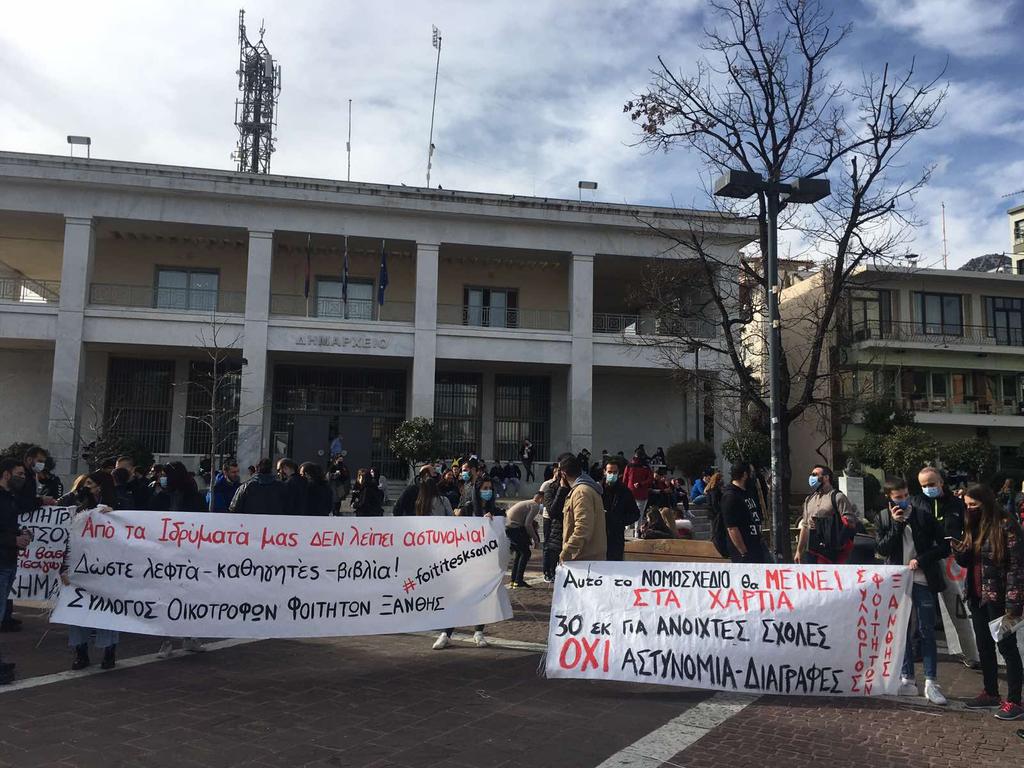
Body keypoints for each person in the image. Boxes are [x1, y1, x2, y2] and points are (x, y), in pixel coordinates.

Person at [952, 484, 1024, 720]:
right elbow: (966, 562)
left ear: (986, 503)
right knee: (984, 645)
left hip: (998, 598)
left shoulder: (1006, 524)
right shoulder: (973, 525)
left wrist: (1013, 604)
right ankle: (990, 692)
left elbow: (1016, 567)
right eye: (967, 505)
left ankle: (1014, 700)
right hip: (976, 595)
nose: (970, 509)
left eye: (974, 505)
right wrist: (958, 548)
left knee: (1007, 648)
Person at [875, 477, 949, 705]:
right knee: (902, 630)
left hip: (922, 579)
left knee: (926, 629)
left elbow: (944, 546)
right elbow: (882, 549)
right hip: (898, 581)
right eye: (898, 497)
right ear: (889, 497)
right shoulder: (883, 518)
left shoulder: (923, 515)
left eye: (906, 495)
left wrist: (921, 559)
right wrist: (897, 525)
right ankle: (907, 678)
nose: (904, 501)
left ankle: (931, 681)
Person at [59, 472, 120, 670]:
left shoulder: (120, 504)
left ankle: (109, 651)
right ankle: (81, 652)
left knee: (106, 611)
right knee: (76, 610)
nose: (86, 487)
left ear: (101, 486)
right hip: (79, 566)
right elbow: (68, 538)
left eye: (90, 483)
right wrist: (64, 568)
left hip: (107, 568)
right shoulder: (79, 506)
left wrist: (114, 514)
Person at [794, 464, 859, 564]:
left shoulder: (838, 497)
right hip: (811, 549)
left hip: (832, 550)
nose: (812, 477)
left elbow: (850, 522)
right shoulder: (809, 500)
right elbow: (805, 527)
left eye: (815, 474)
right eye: (811, 475)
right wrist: (799, 551)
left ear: (826, 477)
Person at [1, 459, 33, 640]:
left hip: (9, 561)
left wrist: (21, 532)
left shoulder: (10, 498)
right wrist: (14, 539)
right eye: (19, 474)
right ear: (6, 474)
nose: (23, 478)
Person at [559, 453, 607, 563]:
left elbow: (583, 527)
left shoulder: (580, 492)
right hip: (590, 558)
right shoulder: (588, 489)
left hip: (584, 560)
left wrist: (567, 550)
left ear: (563, 473)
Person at [720, 462, 769, 563]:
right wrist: (743, 552)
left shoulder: (747, 492)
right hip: (745, 550)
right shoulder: (730, 496)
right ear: (745, 475)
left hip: (757, 544)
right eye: (751, 473)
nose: (753, 477)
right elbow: (732, 528)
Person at [602, 457, 640, 561]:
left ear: (619, 473)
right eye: (609, 472)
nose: (612, 475)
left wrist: (619, 520)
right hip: (598, 536)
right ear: (604, 472)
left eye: (615, 472)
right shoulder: (597, 490)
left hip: (616, 536)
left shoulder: (624, 491)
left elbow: (635, 514)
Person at [914, 467, 965, 541]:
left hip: (952, 550)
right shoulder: (916, 504)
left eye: (931, 485)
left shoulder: (956, 503)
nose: (928, 488)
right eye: (924, 486)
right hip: (928, 551)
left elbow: (967, 528)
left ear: (941, 482)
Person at [505, 493, 542, 588]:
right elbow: (527, 524)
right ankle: (518, 580)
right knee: (525, 553)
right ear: (541, 499)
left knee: (519, 553)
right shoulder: (535, 505)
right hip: (514, 528)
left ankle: (514, 580)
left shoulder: (527, 503)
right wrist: (536, 539)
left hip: (508, 527)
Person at [540, 468, 567, 583]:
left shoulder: (573, 490)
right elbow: (552, 511)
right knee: (549, 547)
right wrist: (561, 489)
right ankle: (548, 571)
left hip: (566, 525)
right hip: (551, 522)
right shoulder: (549, 488)